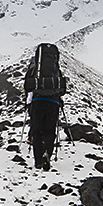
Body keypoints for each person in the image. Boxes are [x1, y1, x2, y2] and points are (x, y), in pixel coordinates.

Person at [23, 43, 67, 171]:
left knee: (37, 130)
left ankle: (38, 160)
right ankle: (47, 153)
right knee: (49, 130)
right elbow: (62, 90)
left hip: (38, 101)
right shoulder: (56, 70)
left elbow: (27, 87)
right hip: (53, 102)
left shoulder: (34, 70)